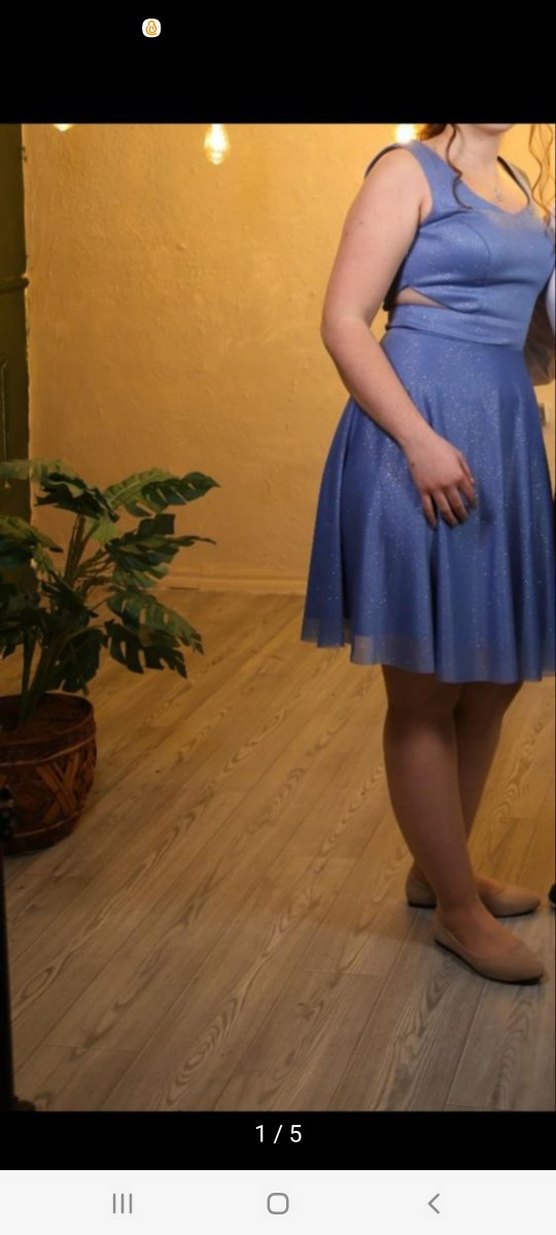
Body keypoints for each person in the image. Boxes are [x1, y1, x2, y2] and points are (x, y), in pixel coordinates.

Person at [300, 124, 556, 983]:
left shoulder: (525, 191)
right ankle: (456, 908)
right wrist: (418, 440)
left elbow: (538, 341)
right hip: (416, 435)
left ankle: (435, 869)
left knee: (493, 676)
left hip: (502, 434)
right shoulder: (403, 170)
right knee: (425, 687)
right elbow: (343, 321)